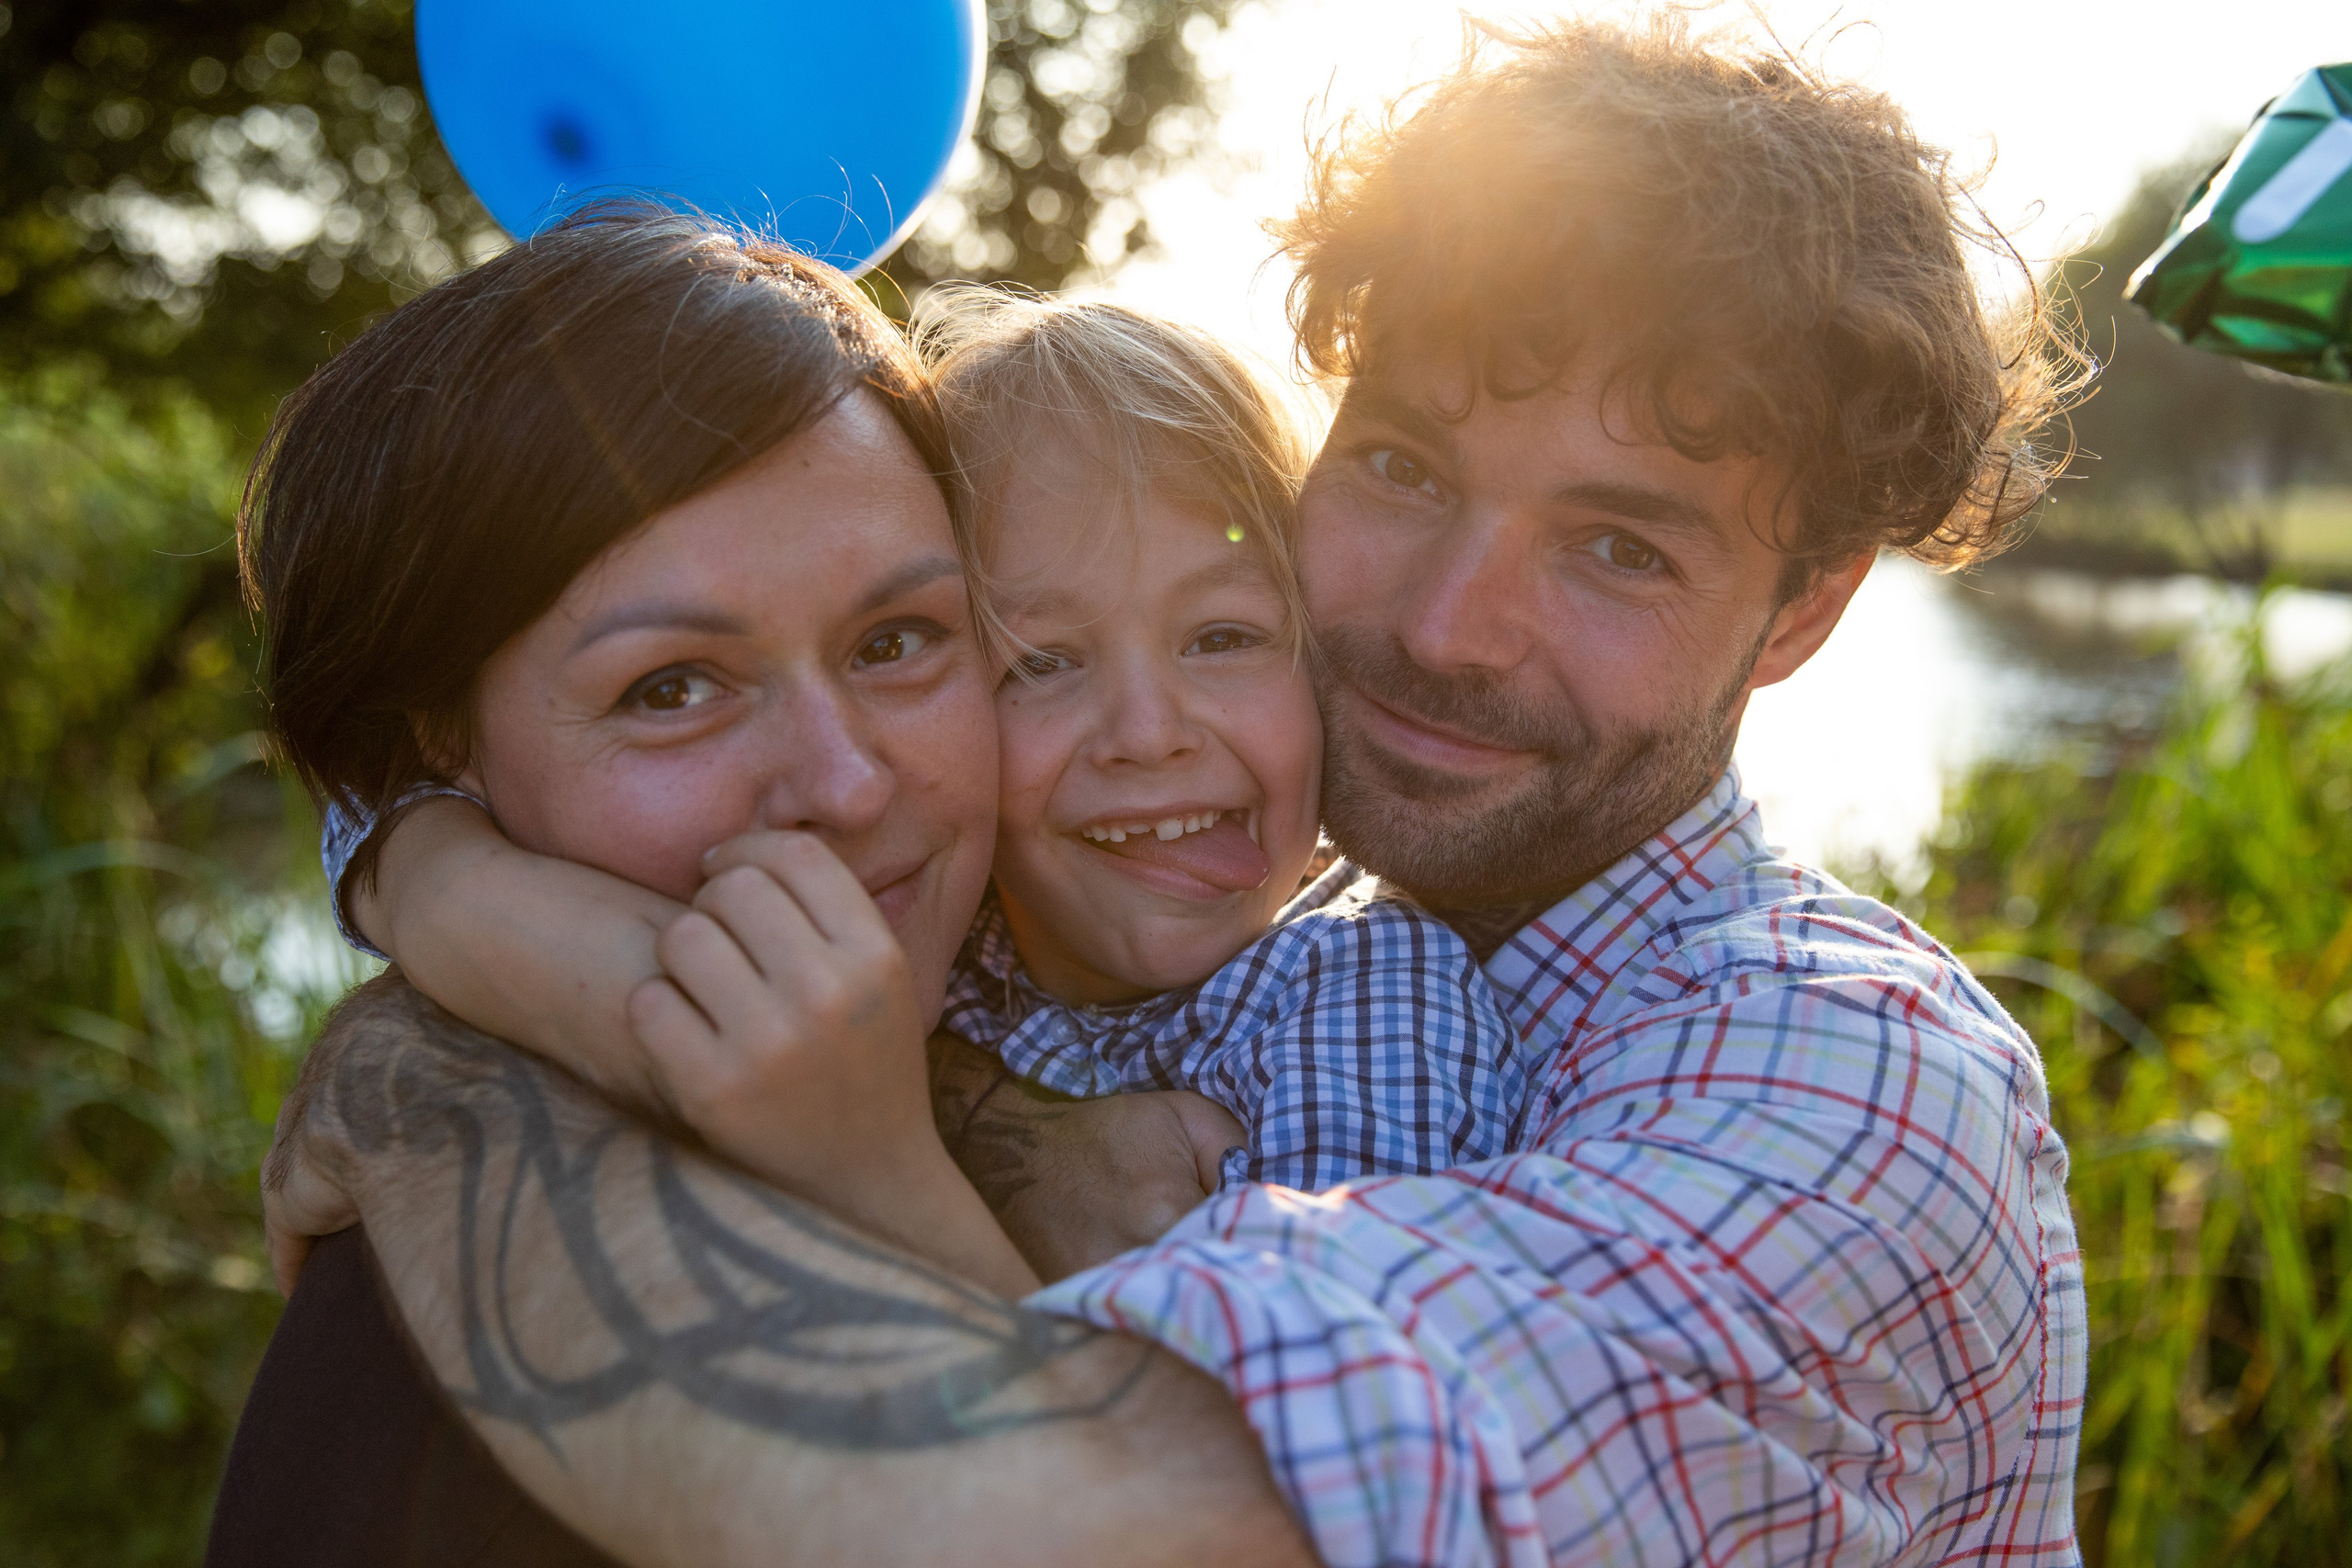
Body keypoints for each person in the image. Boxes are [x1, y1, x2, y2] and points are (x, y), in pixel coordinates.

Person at [240, 17, 2086, 1567]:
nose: (1445, 626)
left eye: (1615, 547)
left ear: (1801, 612)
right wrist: (437, 879)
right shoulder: (1155, 904)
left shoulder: (1848, 1084)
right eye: (1403, 467)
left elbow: (1072, 1513)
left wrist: (439, 1073)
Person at [311, 293, 1533, 1264]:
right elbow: (367, 775)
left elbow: (1278, 1483)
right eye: (1039, 661)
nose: (1151, 733)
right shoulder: (973, 939)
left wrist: (878, 1165)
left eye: (1223, 637)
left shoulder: (1362, 1006)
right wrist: (428, 876)